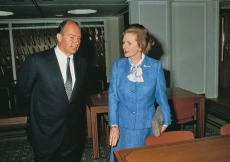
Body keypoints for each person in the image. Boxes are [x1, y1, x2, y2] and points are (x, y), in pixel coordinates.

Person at [16, 20, 86, 162]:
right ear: (59, 37)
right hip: (45, 131)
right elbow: (22, 91)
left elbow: (74, 98)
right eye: (71, 37)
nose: (76, 41)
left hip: (71, 131)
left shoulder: (81, 63)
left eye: (79, 38)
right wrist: (42, 108)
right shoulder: (37, 61)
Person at [108, 24, 171, 162]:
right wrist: (114, 125)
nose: (124, 46)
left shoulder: (155, 66)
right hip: (123, 125)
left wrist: (166, 119)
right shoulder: (118, 66)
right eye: (123, 42)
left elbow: (161, 96)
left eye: (129, 43)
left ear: (141, 46)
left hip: (145, 125)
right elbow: (113, 97)